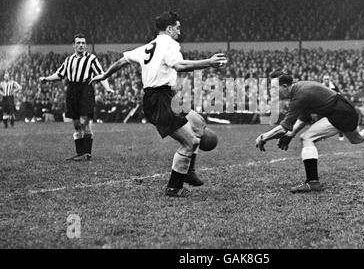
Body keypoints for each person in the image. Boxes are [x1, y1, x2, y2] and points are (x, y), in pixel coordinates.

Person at [90, 11, 227, 198]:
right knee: (190, 142)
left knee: (199, 124)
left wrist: (105, 75)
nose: (180, 31)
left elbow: (123, 60)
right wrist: (209, 63)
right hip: (160, 99)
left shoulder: (149, 45)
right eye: (178, 27)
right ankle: (174, 187)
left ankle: (188, 171)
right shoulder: (170, 44)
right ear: (169, 29)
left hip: (167, 96)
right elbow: (179, 66)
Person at [255, 71, 364, 193]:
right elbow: (305, 119)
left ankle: (312, 182)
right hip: (346, 109)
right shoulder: (300, 89)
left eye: (275, 89)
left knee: (307, 138)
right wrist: (290, 134)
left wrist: (264, 137)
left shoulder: (299, 96)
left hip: (339, 113)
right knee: (357, 139)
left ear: (285, 86)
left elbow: (284, 127)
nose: (274, 93)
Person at [39, 33, 114, 161]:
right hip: (72, 90)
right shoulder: (69, 60)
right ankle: (80, 153)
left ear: (86, 45)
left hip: (86, 89)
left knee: (85, 121)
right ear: (73, 45)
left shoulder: (91, 59)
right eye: (78, 43)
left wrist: (107, 88)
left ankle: (87, 153)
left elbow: (101, 74)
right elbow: (60, 73)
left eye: (83, 43)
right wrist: (47, 79)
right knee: (76, 123)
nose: (81, 45)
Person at [322, 74, 344, 141]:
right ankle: (323, 136)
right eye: (325, 79)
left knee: (339, 119)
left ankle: (341, 133)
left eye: (327, 79)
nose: (326, 80)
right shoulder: (321, 86)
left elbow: (339, 95)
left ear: (330, 80)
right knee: (322, 121)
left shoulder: (334, 86)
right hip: (324, 105)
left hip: (334, 105)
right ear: (323, 80)